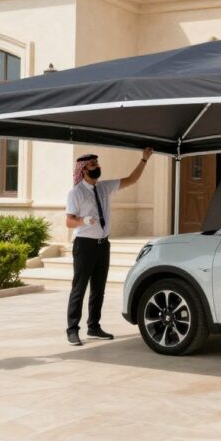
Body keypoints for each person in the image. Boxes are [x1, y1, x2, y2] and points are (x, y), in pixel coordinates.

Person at [65, 148, 154, 346]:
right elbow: (69, 222)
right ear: (83, 170)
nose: (97, 167)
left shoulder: (104, 187)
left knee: (99, 288)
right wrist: (83, 220)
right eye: (92, 165)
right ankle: (72, 329)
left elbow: (132, 179)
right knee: (79, 288)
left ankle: (93, 326)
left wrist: (144, 159)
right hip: (85, 245)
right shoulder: (75, 193)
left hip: (103, 244)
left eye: (97, 164)